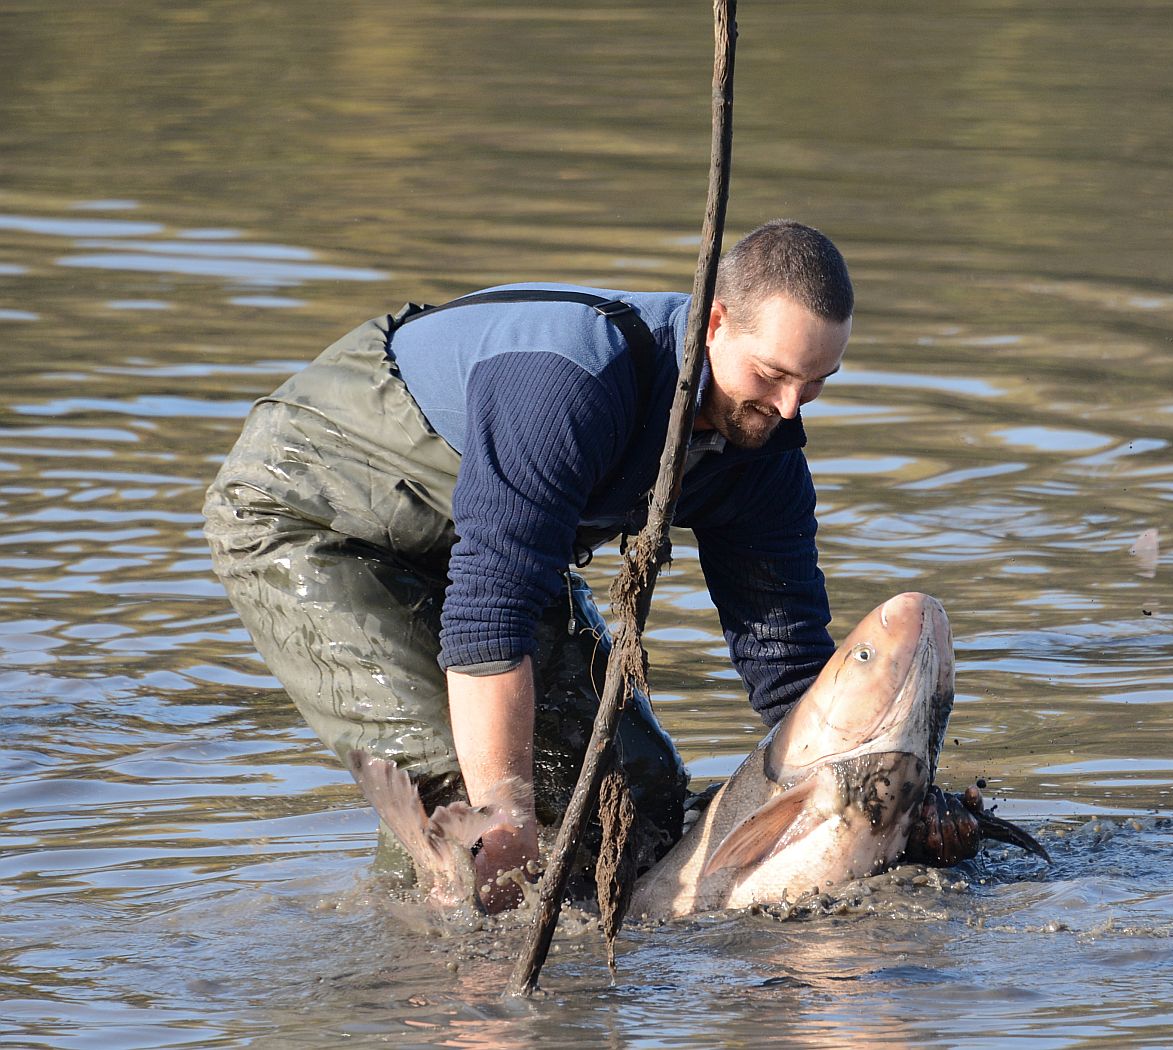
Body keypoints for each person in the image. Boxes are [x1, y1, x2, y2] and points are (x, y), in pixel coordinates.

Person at [203, 220, 851, 911]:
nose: (787, 409)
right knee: (465, 810)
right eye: (773, 374)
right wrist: (505, 810)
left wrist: (877, 784)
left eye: (815, 384)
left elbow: (786, 667)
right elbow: (489, 619)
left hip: (482, 545)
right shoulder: (571, 384)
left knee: (641, 789)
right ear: (715, 322)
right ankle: (424, 981)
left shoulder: (765, 454)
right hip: (309, 520)